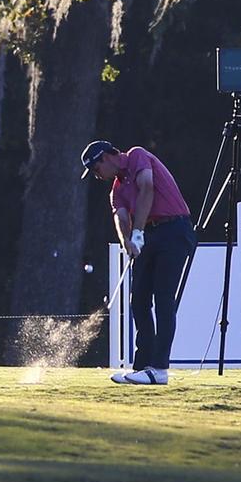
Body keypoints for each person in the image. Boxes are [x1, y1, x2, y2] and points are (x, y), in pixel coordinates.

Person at [82, 137, 196, 386]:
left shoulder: (137, 156)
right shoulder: (117, 188)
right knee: (139, 300)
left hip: (174, 230)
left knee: (163, 298)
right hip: (150, 235)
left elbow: (147, 188)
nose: (97, 175)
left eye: (96, 168)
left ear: (106, 157)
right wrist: (127, 242)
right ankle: (142, 367)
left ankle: (159, 369)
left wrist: (139, 232)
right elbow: (120, 217)